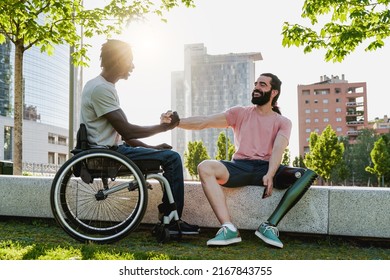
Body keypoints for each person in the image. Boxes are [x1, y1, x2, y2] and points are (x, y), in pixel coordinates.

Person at [166, 73, 317, 248]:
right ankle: (228, 228)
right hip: (240, 167)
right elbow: (205, 122)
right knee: (205, 167)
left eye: (262, 85)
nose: (256, 88)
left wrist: (270, 173)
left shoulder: (283, 122)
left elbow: (278, 149)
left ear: (273, 92)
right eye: (256, 84)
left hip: (268, 168)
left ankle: (269, 226)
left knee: (305, 174)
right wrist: (176, 122)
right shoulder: (240, 113)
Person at [79, 39, 199, 235]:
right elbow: (128, 132)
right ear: (118, 61)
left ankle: (169, 216)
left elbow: (124, 134)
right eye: (130, 61)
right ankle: (171, 220)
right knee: (174, 158)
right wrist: (163, 128)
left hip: (111, 150)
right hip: (107, 154)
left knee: (166, 154)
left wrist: (153, 148)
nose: (133, 66)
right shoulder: (101, 89)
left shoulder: (102, 86)